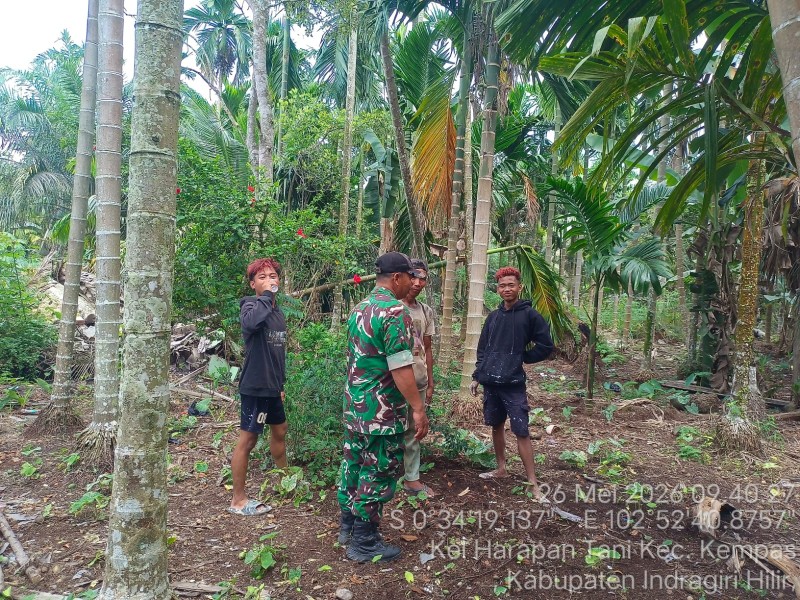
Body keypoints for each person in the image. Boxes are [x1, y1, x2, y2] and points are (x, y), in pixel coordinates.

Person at [338, 251, 430, 563]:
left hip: (355, 407)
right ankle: (364, 541)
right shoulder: (395, 311)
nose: (414, 283)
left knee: (353, 464)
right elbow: (401, 368)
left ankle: (348, 526)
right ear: (396, 278)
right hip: (381, 411)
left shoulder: (359, 309)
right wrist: (418, 408)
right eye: (410, 277)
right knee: (378, 469)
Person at [469, 266, 554, 500]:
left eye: (511, 285)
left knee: (521, 430)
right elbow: (483, 348)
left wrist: (523, 357)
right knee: (496, 425)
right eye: (502, 285)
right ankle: (501, 468)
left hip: (514, 383)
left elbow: (545, 345)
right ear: (497, 289)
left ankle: (533, 483)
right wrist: (477, 375)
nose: (507, 289)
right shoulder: (494, 317)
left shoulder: (530, 315)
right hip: (491, 382)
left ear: (519, 287)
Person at [228, 258, 288, 516]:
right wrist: (265, 297)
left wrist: (281, 384)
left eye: (272, 275)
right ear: (253, 284)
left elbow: (278, 352)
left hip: (273, 387)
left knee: (280, 430)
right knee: (248, 439)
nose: (269, 280)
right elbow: (251, 324)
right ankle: (238, 500)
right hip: (255, 387)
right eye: (262, 277)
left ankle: (287, 481)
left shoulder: (277, 312)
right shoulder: (250, 305)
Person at [401, 259, 437, 497]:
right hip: (392, 380)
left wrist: (431, 381)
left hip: (419, 378)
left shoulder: (425, 311)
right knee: (388, 427)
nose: (417, 282)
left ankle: (412, 478)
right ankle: (384, 473)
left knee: (415, 429)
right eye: (412, 276)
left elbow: (427, 348)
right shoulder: (391, 306)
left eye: (422, 278)